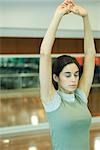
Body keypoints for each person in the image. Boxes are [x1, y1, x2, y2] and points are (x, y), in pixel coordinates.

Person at [39, 0, 96, 150]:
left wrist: (86, 18)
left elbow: (90, 55)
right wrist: (58, 15)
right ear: (56, 77)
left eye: (76, 74)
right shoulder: (52, 100)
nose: (74, 79)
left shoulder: (80, 97)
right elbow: (44, 54)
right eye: (68, 75)